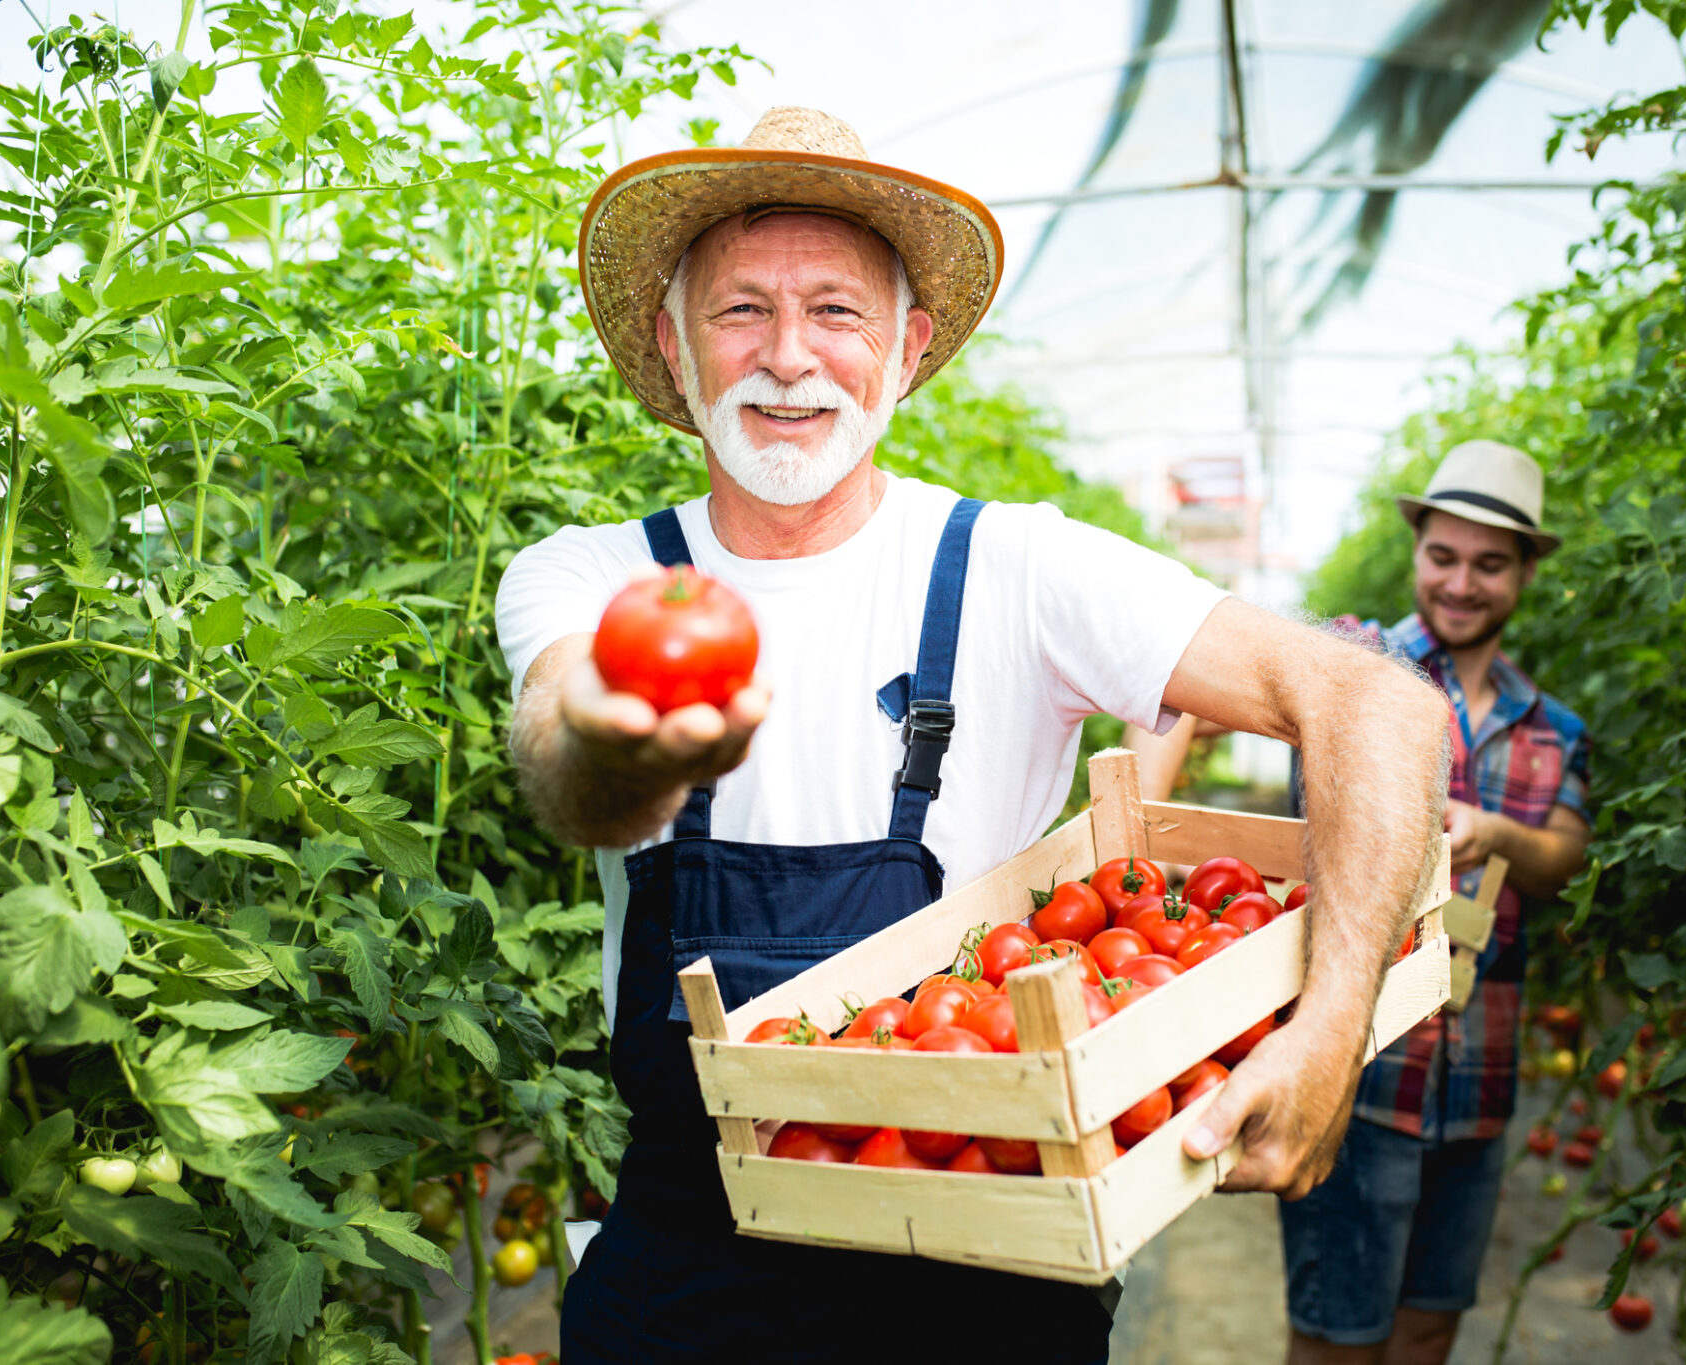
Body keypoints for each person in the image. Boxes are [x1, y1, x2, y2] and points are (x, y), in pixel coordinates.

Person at [496, 106, 1453, 1364]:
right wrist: (628, 754)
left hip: (991, 1269)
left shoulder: (1014, 567)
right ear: (674, 348)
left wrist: (1330, 1031)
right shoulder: (596, 578)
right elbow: (565, 765)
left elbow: (1377, 702)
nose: (788, 355)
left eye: (836, 311)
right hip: (688, 1261)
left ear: (905, 348)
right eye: (740, 311)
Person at [1130, 439, 1593, 1365]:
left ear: (1526, 571)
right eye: (1444, 555)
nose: (1462, 582)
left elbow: (1565, 858)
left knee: (1427, 1327)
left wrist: (1497, 834)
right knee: (1339, 1334)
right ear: (1417, 548)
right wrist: (1136, 842)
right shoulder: (1351, 663)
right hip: (1360, 1061)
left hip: (1478, 1079)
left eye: (1490, 564)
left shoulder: (1550, 726)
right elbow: (1175, 700)